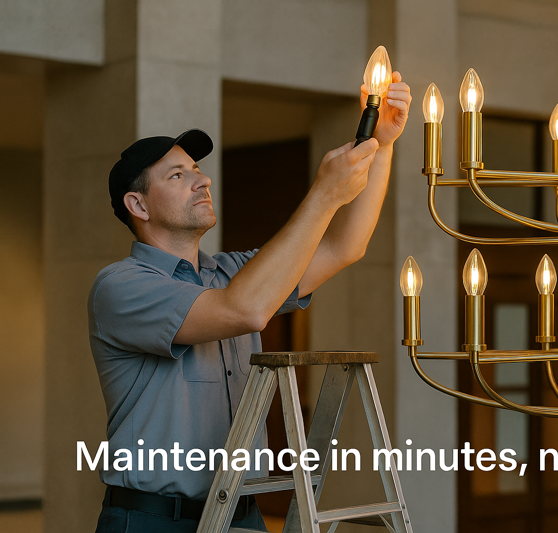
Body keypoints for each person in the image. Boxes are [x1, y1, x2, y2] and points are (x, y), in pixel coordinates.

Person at [88, 74, 411, 533]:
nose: (202, 180)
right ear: (138, 206)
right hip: (152, 521)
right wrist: (323, 194)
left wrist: (382, 145)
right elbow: (244, 310)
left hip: (240, 515)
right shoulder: (121, 286)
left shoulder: (230, 273)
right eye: (178, 175)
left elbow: (344, 246)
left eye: (196, 169)